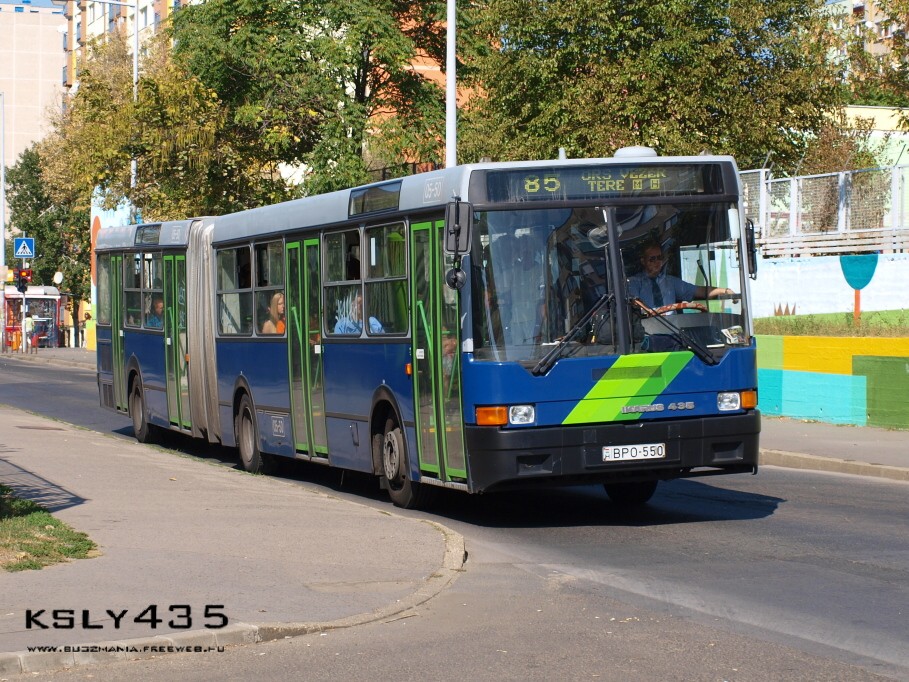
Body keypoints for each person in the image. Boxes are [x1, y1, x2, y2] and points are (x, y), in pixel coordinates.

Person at [627, 243, 736, 313]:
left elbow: (699, 291)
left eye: (659, 258)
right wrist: (651, 313)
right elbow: (635, 303)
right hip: (647, 330)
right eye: (652, 259)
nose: (657, 262)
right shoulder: (634, 282)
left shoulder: (670, 282)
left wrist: (724, 290)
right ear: (643, 261)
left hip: (672, 330)